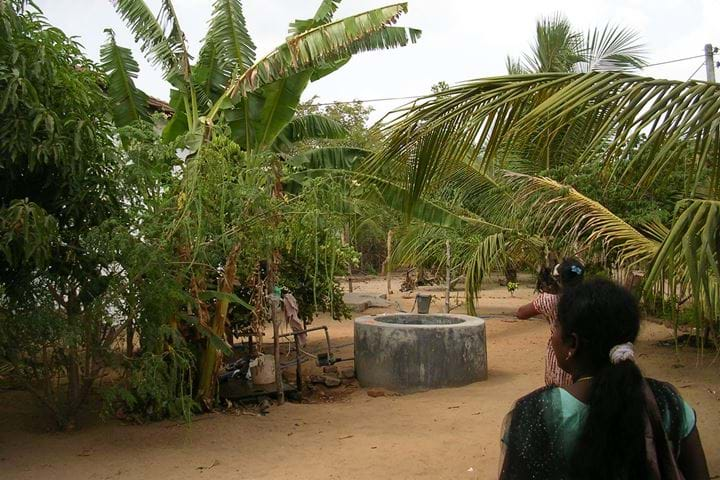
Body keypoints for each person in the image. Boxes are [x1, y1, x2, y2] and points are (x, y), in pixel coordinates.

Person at [500, 279, 709, 480]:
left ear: (573, 343)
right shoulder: (669, 403)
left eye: (556, 329)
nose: (553, 337)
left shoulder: (537, 412)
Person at [516, 258, 584, 386]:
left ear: (560, 280)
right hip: (584, 356)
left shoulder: (549, 300)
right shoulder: (591, 300)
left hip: (558, 357)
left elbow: (521, 313)